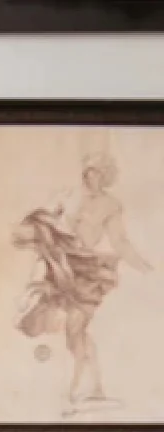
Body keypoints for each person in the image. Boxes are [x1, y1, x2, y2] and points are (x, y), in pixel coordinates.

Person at [13, 149, 152, 411]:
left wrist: (146, 269)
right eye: (90, 171)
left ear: (106, 176)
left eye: (100, 172)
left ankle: (80, 389)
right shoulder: (66, 195)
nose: (93, 177)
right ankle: (91, 386)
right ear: (85, 173)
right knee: (56, 323)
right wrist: (43, 236)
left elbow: (120, 242)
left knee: (76, 329)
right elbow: (42, 224)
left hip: (87, 272)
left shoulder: (111, 205)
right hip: (59, 266)